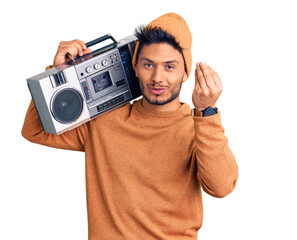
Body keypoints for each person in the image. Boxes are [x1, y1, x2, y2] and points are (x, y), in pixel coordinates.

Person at [22, 12, 238, 240]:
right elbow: (34, 131)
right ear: (134, 67)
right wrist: (56, 76)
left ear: (185, 72)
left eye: (169, 67)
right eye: (148, 64)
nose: (157, 77)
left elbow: (222, 186)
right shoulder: (104, 120)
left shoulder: (199, 127)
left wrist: (207, 112)